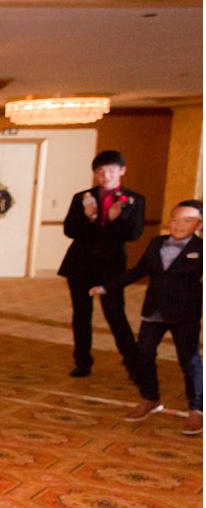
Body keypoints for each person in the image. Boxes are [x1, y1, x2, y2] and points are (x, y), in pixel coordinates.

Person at [91, 199, 202, 434]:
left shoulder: (201, 249)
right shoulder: (156, 243)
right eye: (175, 219)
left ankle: (197, 409)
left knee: (189, 361)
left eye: (187, 221)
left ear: (199, 225)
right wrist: (107, 287)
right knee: (142, 354)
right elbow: (138, 271)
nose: (179, 225)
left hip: (184, 314)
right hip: (154, 311)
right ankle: (150, 398)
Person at [58, 150, 146, 378]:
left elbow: (133, 234)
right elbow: (70, 230)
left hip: (112, 267)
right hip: (80, 265)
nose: (105, 175)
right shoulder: (82, 198)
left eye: (110, 170)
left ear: (121, 171)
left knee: (115, 314)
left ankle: (133, 364)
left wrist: (116, 220)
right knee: (81, 315)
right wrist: (89, 218)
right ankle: (83, 361)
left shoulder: (134, 200)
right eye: (100, 171)